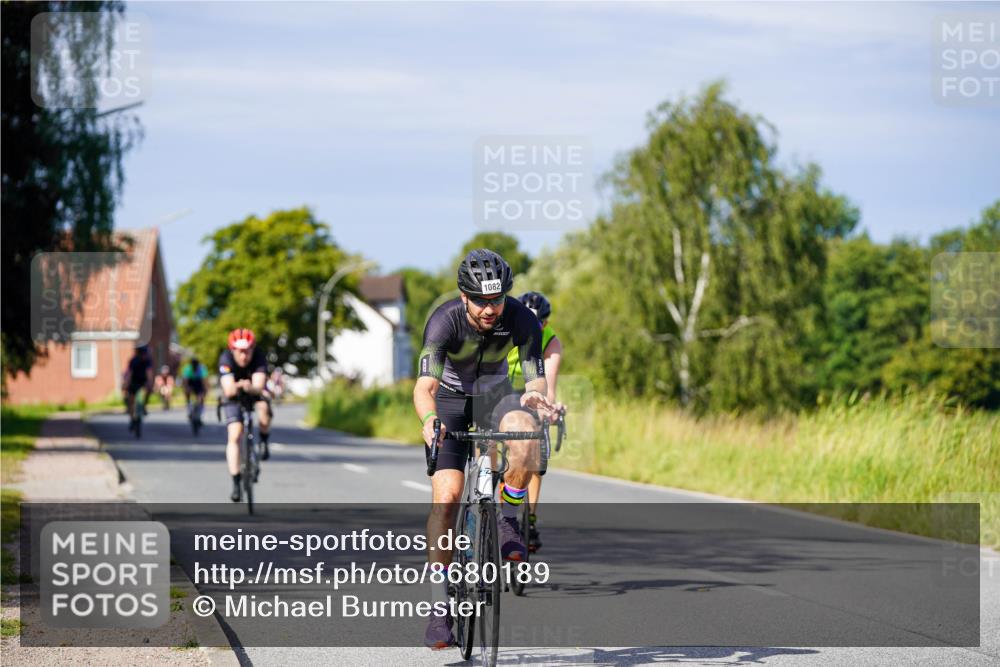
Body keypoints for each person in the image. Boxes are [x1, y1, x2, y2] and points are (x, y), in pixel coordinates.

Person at [413, 249, 556, 649]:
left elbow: (534, 376)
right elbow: (424, 386)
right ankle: (440, 606)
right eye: (481, 301)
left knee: (526, 436)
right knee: (447, 498)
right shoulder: (443, 321)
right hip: (451, 401)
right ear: (464, 296)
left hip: (497, 395)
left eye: (497, 299)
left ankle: (508, 517)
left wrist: (535, 396)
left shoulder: (522, 319)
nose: (491, 309)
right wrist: (430, 420)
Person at [506, 291, 565, 553]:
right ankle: (485, 496)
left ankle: (529, 516)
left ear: (545, 322)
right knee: (486, 439)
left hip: (532, 393)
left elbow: (549, 387)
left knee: (535, 450)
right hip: (501, 390)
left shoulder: (551, 341)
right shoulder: (506, 331)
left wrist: (548, 409)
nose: (533, 326)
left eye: (539, 323)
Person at [218, 328, 272, 502]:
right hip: (234, 397)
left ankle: (264, 441)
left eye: (247, 351)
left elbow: (259, 386)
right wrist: (241, 385)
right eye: (240, 351)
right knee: (235, 434)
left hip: (253, 391)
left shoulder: (259, 357)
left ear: (253, 349)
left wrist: (249, 386)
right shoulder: (225, 358)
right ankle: (236, 482)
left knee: (263, 408)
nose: (244, 356)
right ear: (232, 350)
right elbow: (229, 390)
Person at [122, 345, 154, 432]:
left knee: (144, 395)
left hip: (141, 383)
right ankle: (133, 417)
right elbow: (129, 373)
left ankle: (143, 406)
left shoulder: (146, 361)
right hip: (135, 383)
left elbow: (149, 373)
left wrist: (150, 384)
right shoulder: (134, 361)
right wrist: (126, 383)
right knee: (131, 401)